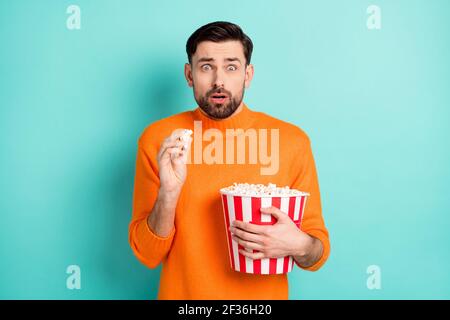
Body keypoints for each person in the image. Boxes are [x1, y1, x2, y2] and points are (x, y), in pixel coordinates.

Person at [129, 21, 330, 299]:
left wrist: (301, 245)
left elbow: (316, 255)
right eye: (206, 66)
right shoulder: (161, 140)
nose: (218, 81)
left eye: (231, 67)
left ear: (248, 75)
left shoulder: (291, 142)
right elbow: (147, 255)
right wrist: (169, 194)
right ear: (189, 75)